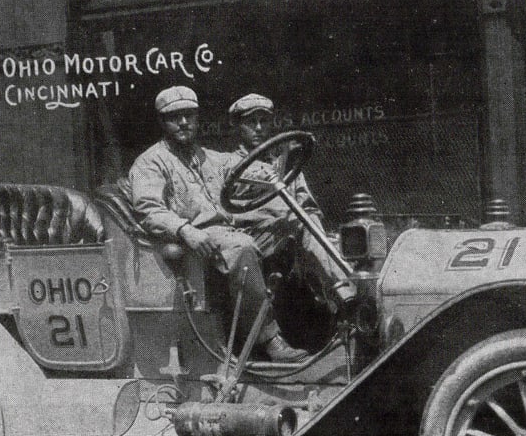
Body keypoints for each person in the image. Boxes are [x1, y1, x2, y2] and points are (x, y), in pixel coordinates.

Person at [123, 85, 309, 362]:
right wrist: (186, 230)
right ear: (162, 121)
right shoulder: (151, 162)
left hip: (230, 226)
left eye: (189, 115)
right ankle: (269, 339)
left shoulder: (210, 157)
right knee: (242, 247)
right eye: (175, 117)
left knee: (293, 220)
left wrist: (281, 162)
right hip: (197, 238)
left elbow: (246, 172)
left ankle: (338, 307)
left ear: (197, 119)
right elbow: (149, 209)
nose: (184, 122)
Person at [219, 93, 355, 312]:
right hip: (254, 238)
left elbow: (307, 203)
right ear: (238, 127)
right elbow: (235, 194)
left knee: (321, 228)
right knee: (302, 224)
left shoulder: (286, 165)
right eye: (251, 122)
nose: (259, 128)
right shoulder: (227, 164)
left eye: (264, 121)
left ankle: (345, 302)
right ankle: (343, 293)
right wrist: (277, 170)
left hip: (292, 234)